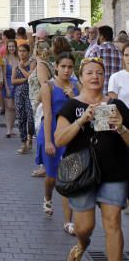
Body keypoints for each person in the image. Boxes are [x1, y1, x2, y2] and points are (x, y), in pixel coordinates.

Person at [55, 57, 129, 261]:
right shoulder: (71, 106)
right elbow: (59, 140)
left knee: (113, 225)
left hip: (114, 173)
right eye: (89, 72)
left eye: (99, 72)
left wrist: (121, 127)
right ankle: (82, 243)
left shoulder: (116, 105)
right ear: (81, 76)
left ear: (104, 76)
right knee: (85, 227)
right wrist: (82, 120)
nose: (95, 76)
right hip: (82, 176)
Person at [35, 53, 79, 230]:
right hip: (51, 133)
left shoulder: (77, 87)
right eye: (63, 67)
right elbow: (48, 115)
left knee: (68, 179)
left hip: (70, 135)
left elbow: (81, 110)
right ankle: (47, 197)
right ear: (56, 67)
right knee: (52, 178)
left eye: (70, 67)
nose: (67, 70)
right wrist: (48, 142)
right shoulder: (49, 87)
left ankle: (68, 221)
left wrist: (73, 97)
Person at [28, 40, 54, 177]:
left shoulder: (41, 65)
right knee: (42, 134)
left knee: (42, 135)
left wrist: (37, 102)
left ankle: (45, 166)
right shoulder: (47, 63)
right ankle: (45, 165)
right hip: (42, 102)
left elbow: (44, 84)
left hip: (40, 104)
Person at [12, 44, 36, 153]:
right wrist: (24, 79)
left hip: (30, 93)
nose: (21, 53)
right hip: (19, 94)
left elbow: (30, 77)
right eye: (20, 51)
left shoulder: (32, 63)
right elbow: (13, 81)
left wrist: (21, 68)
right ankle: (23, 143)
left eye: (24, 51)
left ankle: (30, 136)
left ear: (28, 52)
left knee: (31, 119)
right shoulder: (15, 65)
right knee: (21, 119)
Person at [94, 25, 123, 94]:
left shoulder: (96, 51)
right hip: (117, 93)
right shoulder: (121, 52)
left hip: (100, 94)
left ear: (102, 36)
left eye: (98, 35)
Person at [3, 39, 18, 137]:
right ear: (7, 48)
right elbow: (4, 75)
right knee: (9, 107)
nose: (11, 48)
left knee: (15, 107)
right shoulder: (5, 59)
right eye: (9, 46)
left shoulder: (19, 58)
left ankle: (12, 128)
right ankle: (8, 129)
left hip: (17, 83)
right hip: (8, 82)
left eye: (13, 46)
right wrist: (7, 87)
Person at [109, 42, 129, 107]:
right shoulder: (115, 77)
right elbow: (113, 106)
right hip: (123, 116)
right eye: (126, 55)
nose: (128, 58)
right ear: (123, 57)